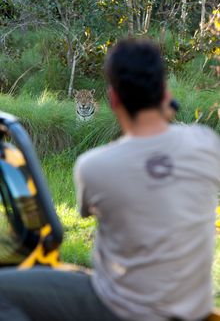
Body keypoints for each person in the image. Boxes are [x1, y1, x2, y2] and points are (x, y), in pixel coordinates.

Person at [0, 38, 219, 321]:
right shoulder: (207, 144)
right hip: (192, 309)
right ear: (165, 92)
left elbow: (85, 213)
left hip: (122, 308)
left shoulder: (94, 166)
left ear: (113, 99)